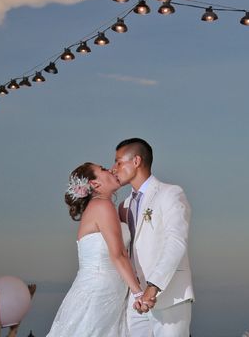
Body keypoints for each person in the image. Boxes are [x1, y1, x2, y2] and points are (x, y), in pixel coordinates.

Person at [46, 163, 145, 337]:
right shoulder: (101, 206)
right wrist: (139, 293)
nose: (112, 170)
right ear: (94, 184)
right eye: (104, 169)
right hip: (100, 290)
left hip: (108, 289)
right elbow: (118, 254)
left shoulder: (105, 207)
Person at [112, 138, 194, 337]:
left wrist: (153, 286)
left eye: (119, 162)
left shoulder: (170, 193)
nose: (114, 168)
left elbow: (176, 242)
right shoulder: (123, 205)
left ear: (136, 161)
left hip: (169, 296)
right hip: (135, 301)